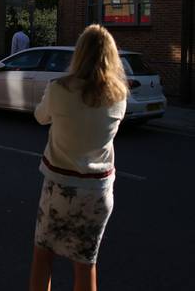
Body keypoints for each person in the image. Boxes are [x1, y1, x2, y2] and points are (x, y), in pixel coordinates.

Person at [29, 25, 128, 291]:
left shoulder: (59, 88)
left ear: (80, 53)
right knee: (85, 264)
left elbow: (40, 117)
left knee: (43, 257)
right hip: (97, 192)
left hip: (59, 188)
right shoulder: (119, 97)